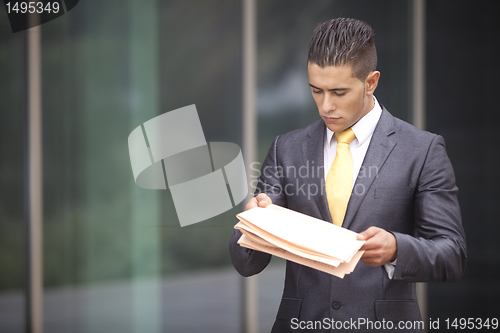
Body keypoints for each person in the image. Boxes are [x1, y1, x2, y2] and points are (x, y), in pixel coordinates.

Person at [229, 18, 466, 332]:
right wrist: (253, 225)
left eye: (339, 92)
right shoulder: (286, 149)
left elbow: (451, 254)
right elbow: (246, 264)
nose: (326, 105)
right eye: (316, 91)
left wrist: (397, 248)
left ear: (371, 83)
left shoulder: (422, 150)